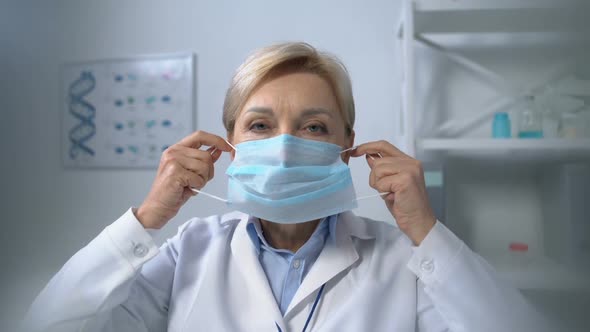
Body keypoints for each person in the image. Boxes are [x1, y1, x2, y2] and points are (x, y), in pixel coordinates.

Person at [23, 42, 547, 332]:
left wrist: (427, 233)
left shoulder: (399, 262)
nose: (286, 144)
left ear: (348, 145)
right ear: (228, 144)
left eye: (314, 127)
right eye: (259, 125)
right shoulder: (190, 253)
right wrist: (146, 221)